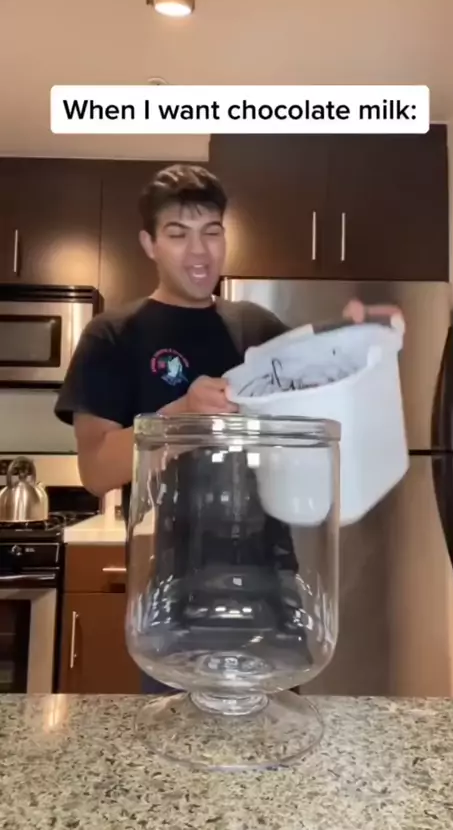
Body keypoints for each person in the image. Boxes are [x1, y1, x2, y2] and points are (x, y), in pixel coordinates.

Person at [54, 162, 402, 691]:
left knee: (275, 738)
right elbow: (97, 470)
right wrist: (181, 414)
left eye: (211, 232)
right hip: (175, 596)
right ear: (149, 244)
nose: (199, 251)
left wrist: (358, 337)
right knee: (182, 738)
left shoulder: (255, 326)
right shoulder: (113, 336)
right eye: (178, 234)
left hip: (277, 591)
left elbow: (321, 389)